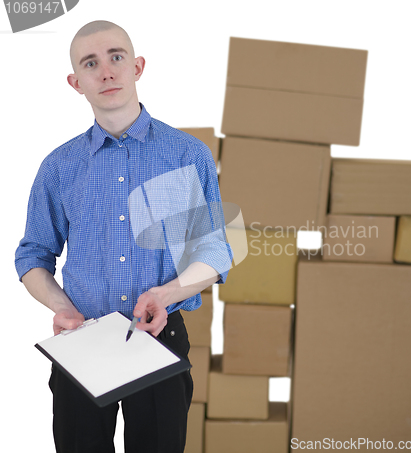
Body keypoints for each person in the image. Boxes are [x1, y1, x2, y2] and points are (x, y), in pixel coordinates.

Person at [14, 20, 232, 453]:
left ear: (138, 66)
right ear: (76, 82)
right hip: (81, 342)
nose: (107, 72)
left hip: (160, 339)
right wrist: (63, 309)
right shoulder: (59, 166)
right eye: (91, 64)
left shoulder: (188, 154)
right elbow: (33, 255)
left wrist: (165, 295)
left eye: (116, 57)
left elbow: (214, 251)